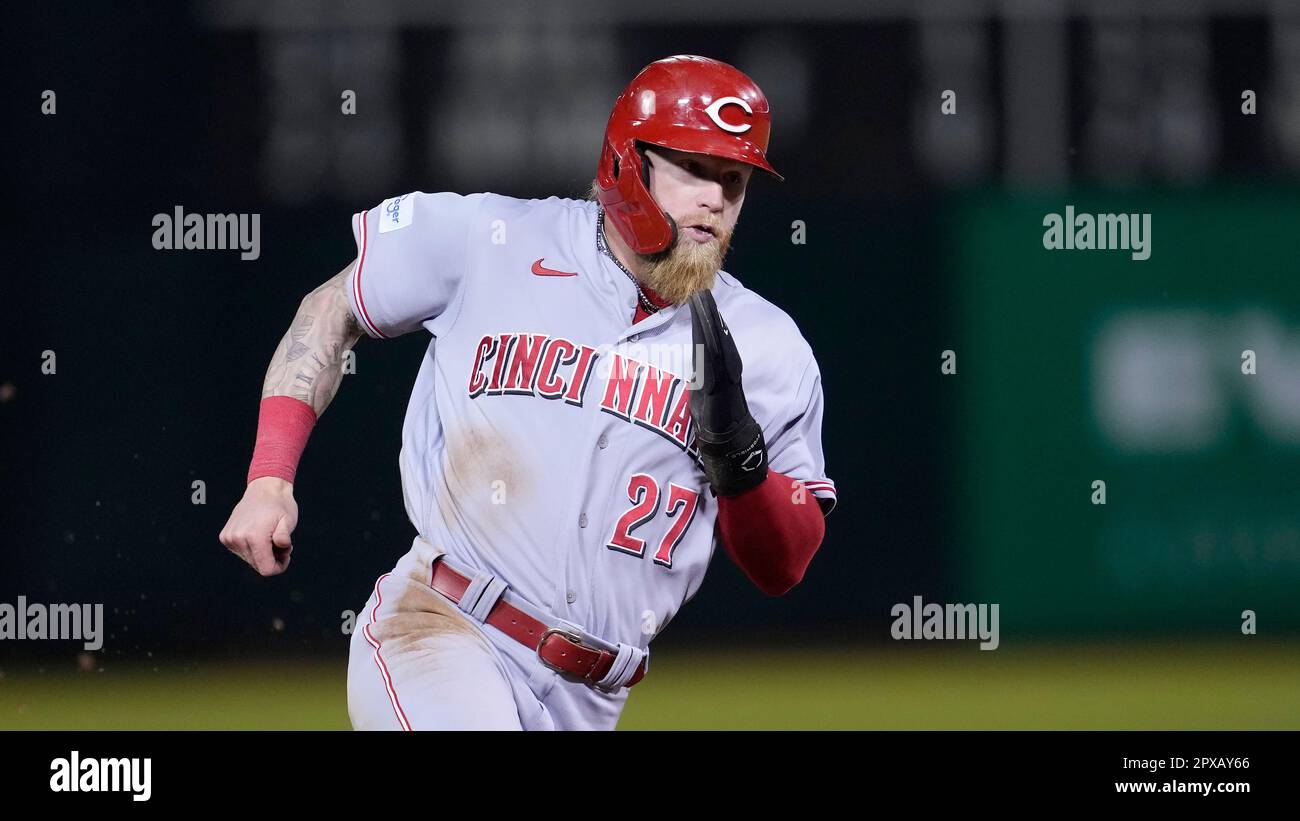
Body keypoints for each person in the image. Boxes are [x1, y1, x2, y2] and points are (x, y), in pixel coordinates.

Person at [219, 55, 836, 730]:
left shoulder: (766, 344)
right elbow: (332, 308)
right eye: (693, 167)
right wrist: (270, 477)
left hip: (592, 697)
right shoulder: (494, 239)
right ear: (626, 163)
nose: (715, 197)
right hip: (443, 628)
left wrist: (740, 462)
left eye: (734, 180)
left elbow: (786, 563)